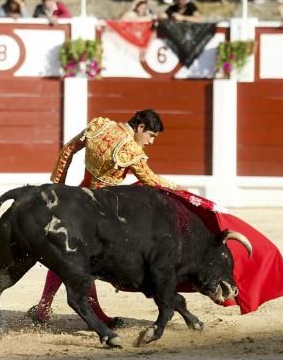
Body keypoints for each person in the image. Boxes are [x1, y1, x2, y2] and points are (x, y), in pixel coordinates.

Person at [28, 109, 174, 326]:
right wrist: (178, 189)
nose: (150, 142)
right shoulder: (129, 147)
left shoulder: (100, 126)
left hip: (76, 198)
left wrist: (58, 186)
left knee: (65, 256)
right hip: (102, 211)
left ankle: (44, 306)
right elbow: (150, 179)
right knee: (88, 261)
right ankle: (95, 316)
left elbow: (69, 149)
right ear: (141, 127)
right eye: (151, 135)